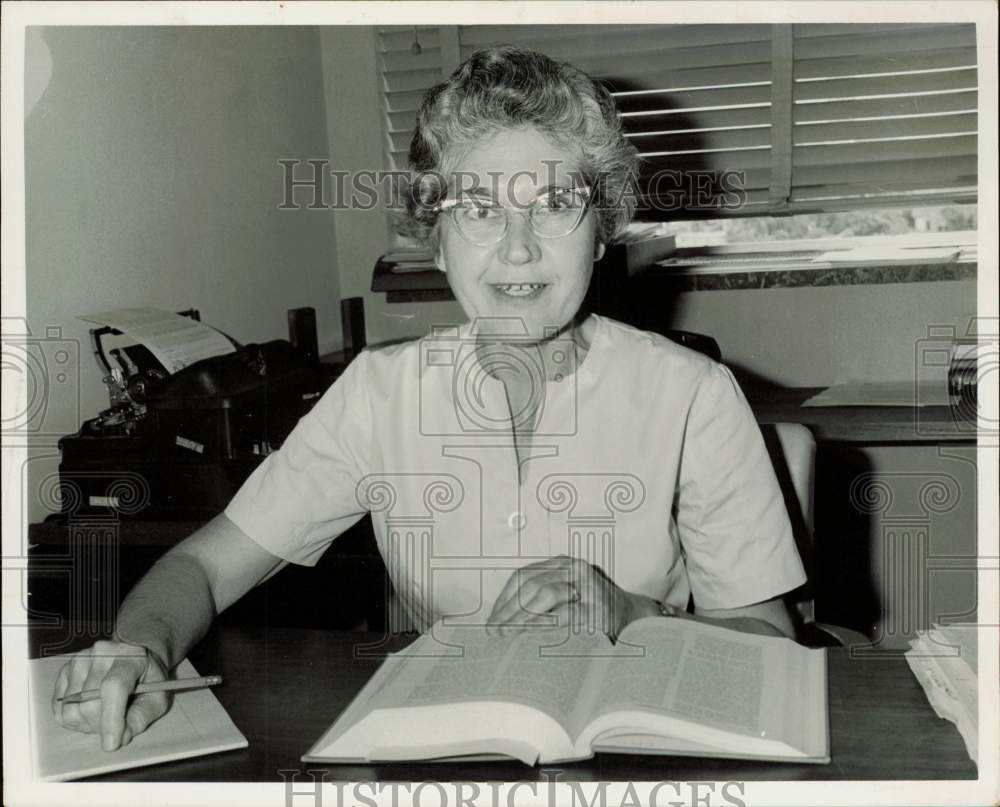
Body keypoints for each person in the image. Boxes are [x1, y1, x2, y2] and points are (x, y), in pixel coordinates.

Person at [52, 45, 807, 752]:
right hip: (451, 755)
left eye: (553, 203)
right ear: (435, 240)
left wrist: (636, 614)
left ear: (601, 232)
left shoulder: (693, 395)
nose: (518, 247)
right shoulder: (380, 396)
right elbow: (205, 567)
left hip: (647, 752)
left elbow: (773, 644)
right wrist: (140, 652)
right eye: (478, 209)